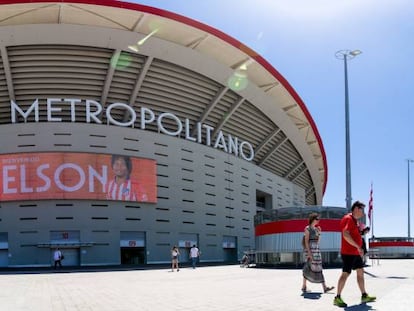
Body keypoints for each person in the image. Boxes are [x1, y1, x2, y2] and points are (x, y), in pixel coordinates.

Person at [333, 201, 376, 307]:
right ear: (356, 209)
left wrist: (362, 233)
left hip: (355, 253)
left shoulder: (354, 221)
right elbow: (346, 234)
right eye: (362, 210)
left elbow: (353, 234)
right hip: (348, 253)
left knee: (360, 273)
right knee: (345, 274)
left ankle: (364, 295)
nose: (363, 213)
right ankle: (337, 298)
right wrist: (357, 246)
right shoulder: (348, 218)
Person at [301, 212, 334, 293]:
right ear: (313, 219)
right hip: (310, 249)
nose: (318, 221)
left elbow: (317, 241)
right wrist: (309, 253)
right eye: (317, 219)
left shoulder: (316, 229)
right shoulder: (307, 228)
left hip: (316, 249)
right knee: (308, 267)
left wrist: (319, 233)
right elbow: (306, 241)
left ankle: (323, 287)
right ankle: (305, 286)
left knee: (318, 267)